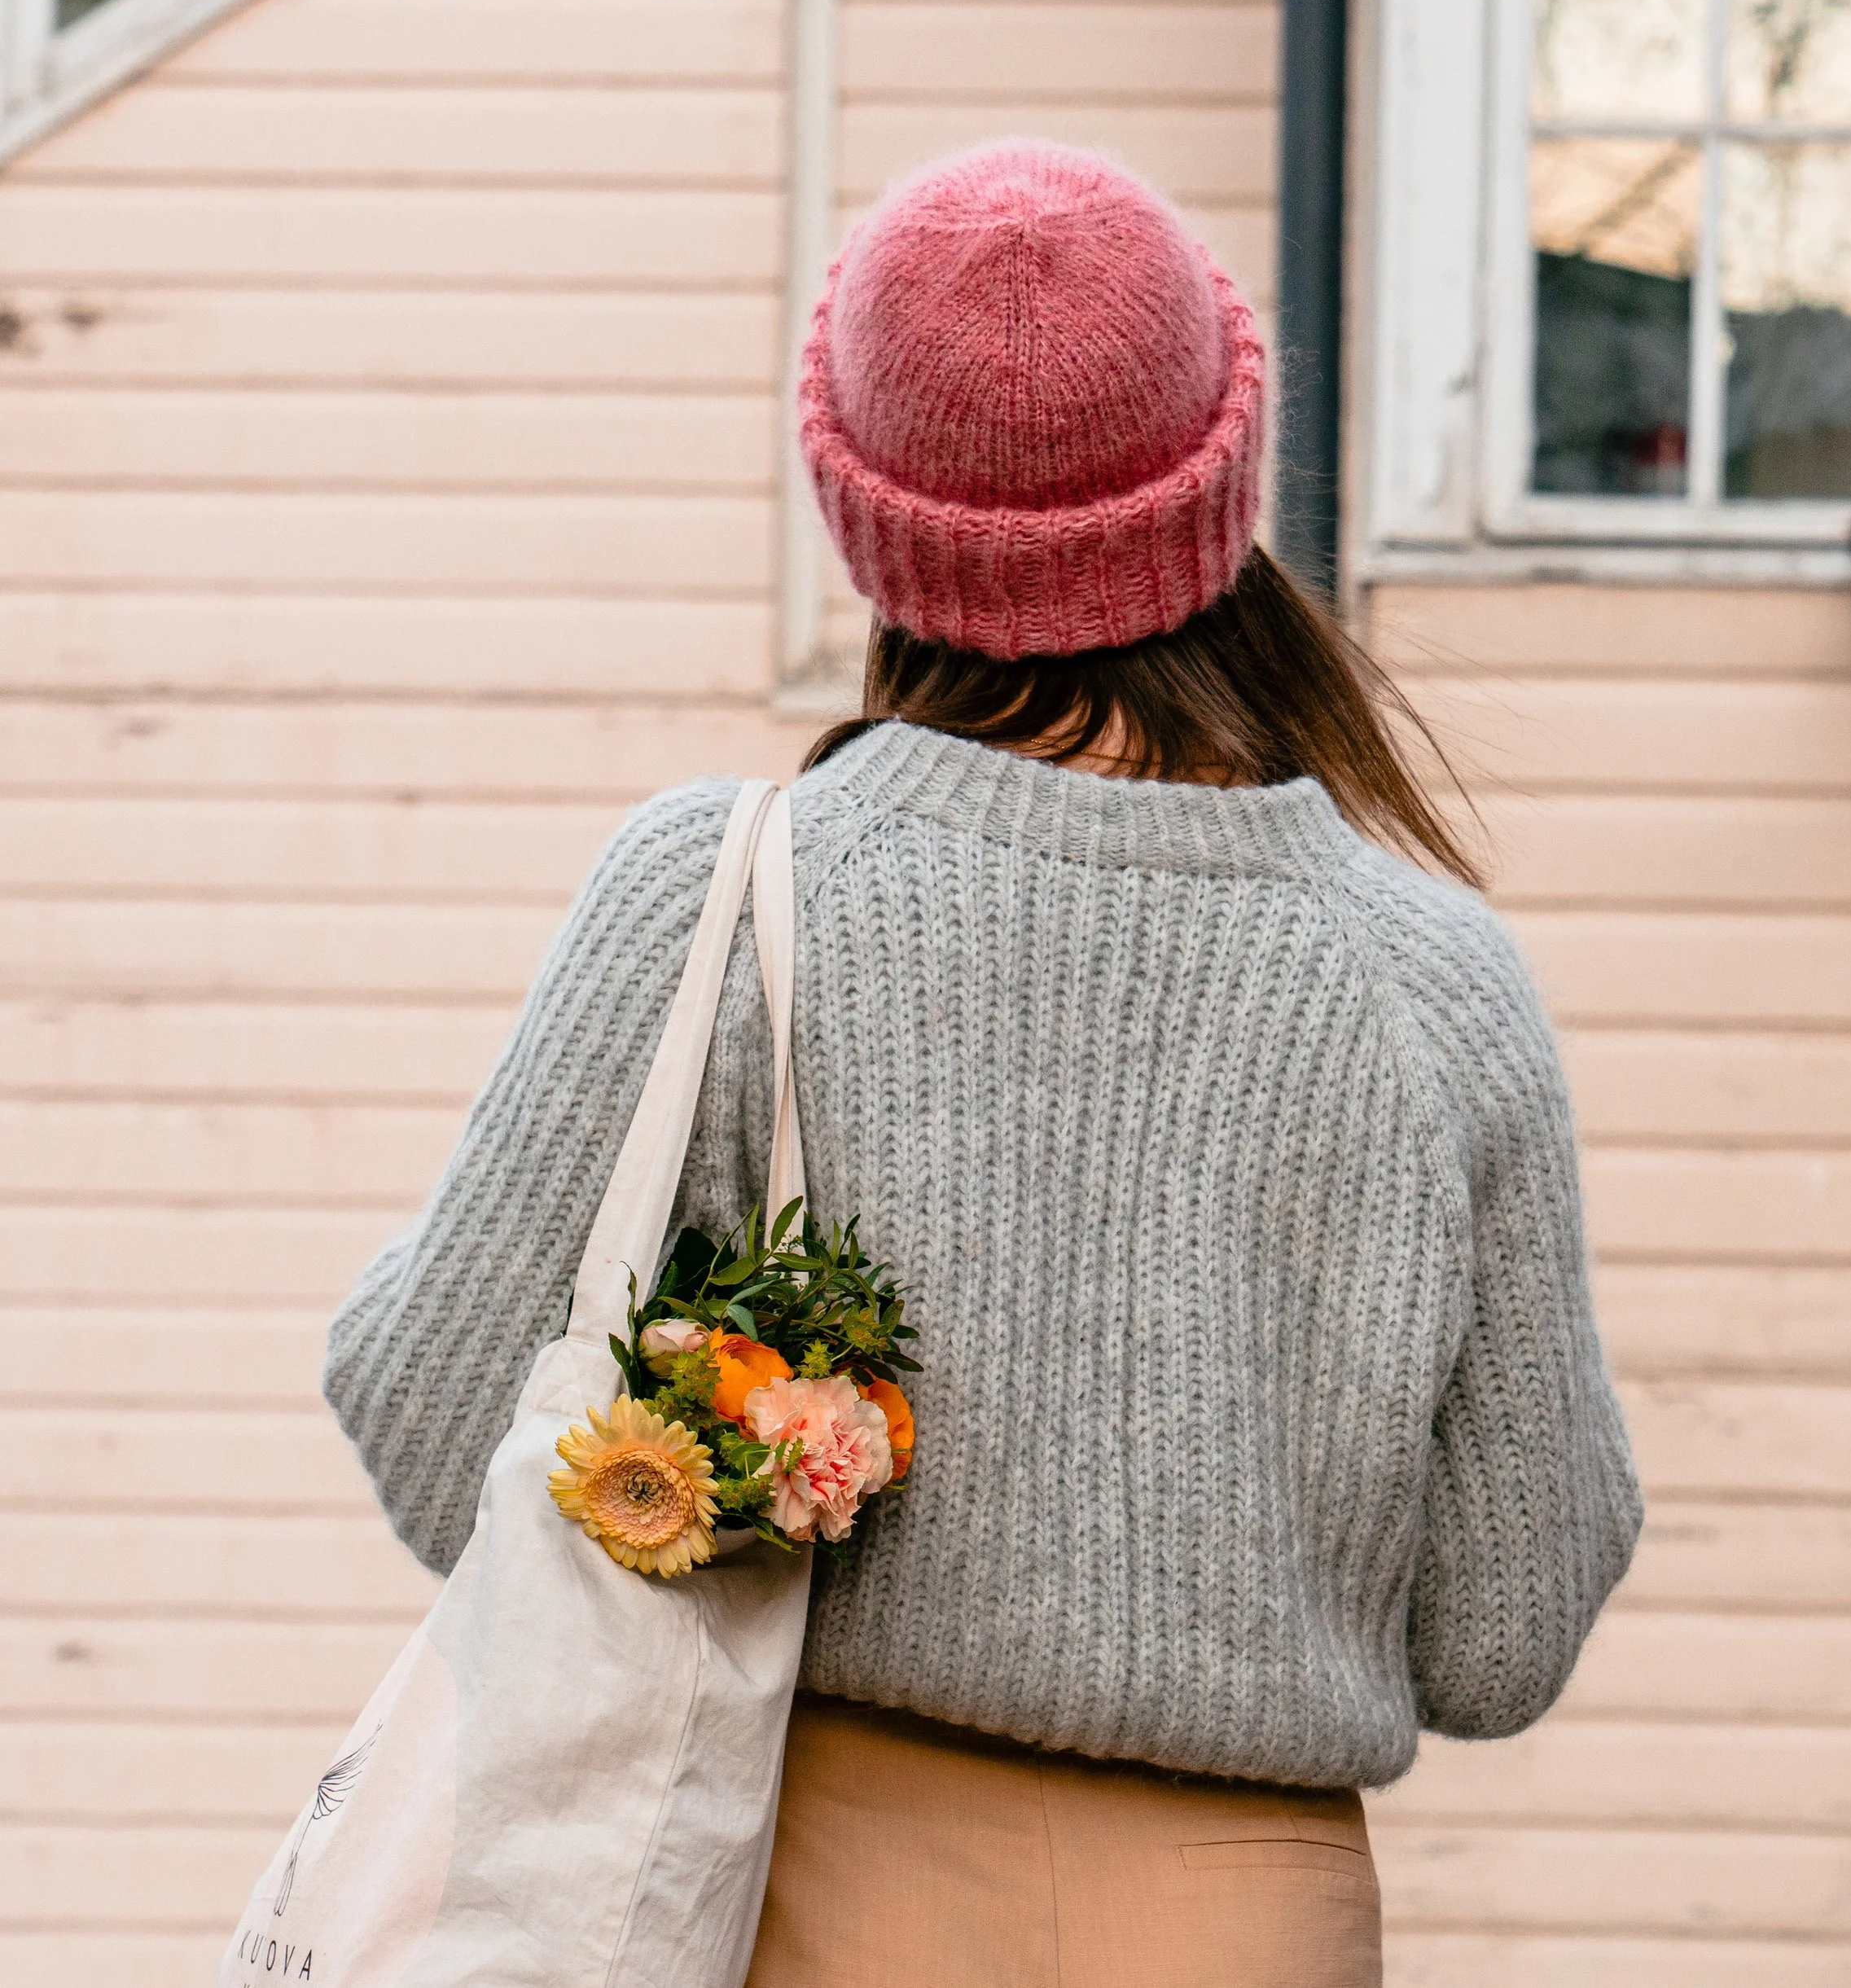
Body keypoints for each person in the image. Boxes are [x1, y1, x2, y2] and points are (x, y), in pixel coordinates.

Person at [326, 138, 1642, 1988]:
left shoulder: (714, 897)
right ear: (1222, 482)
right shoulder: (1433, 982)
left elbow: (424, 1416)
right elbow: (1504, 1632)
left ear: (864, 515)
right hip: (1243, 1919)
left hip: (785, 1883)